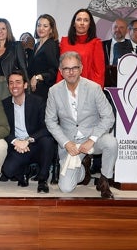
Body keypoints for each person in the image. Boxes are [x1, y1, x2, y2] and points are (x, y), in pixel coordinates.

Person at [45, 51, 118, 199]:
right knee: (65, 188)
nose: (71, 72)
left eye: (75, 68)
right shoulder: (54, 91)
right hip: (70, 143)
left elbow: (109, 117)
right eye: (66, 68)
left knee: (111, 142)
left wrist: (92, 138)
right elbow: (50, 121)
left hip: (92, 139)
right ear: (60, 70)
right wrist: (66, 143)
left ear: (81, 68)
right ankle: (84, 169)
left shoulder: (94, 88)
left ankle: (104, 180)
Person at [1, 71, 55, 193]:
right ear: (8, 86)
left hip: (35, 143)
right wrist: (15, 142)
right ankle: (25, 171)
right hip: (17, 146)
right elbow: (1, 129)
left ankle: (42, 179)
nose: (14, 86)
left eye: (18, 82)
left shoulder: (38, 102)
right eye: (11, 83)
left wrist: (28, 140)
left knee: (48, 141)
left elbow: (47, 127)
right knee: (8, 171)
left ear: (25, 85)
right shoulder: (4, 104)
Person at [58, 8, 105, 87]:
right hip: (65, 87)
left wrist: (96, 92)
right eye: (79, 19)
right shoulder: (64, 42)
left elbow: (99, 72)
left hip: (87, 89)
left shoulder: (96, 43)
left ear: (90, 25)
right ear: (74, 23)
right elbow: (60, 69)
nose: (82, 23)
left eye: (86, 20)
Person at [0, 18, 28, 101]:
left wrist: (27, 89)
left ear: (8, 31)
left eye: (3, 29)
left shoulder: (16, 46)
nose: (0, 31)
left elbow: (23, 68)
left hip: (10, 86)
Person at [27, 14, 60, 99]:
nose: (41, 28)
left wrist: (38, 77)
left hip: (45, 90)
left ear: (51, 29)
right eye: (39, 25)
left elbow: (54, 70)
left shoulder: (51, 45)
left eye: (45, 26)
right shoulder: (37, 45)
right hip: (35, 90)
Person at [102, 18, 132, 87]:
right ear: (111, 29)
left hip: (126, 85)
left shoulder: (132, 46)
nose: (117, 30)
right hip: (105, 85)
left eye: (121, 27)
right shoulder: (101, 45)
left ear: (127, 31)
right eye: (115, 27)